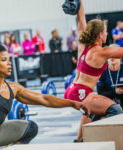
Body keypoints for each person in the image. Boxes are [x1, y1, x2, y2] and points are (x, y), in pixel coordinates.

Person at [0, 1, 90, 150]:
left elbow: (44, 98)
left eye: (9, 59)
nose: (9, 63)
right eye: (4, 60)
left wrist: (72, 103)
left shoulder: (13, 89)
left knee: (30, 128)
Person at [64, 0, 123, 142]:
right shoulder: (102, 52)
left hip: (72, 90)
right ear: (99, 35)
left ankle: (80, 141)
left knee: (91, 111)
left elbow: (81, 20)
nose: (107, 33)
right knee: (115, 110)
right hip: (81, 93)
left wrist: (79, 3)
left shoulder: (83, 45)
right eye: (105, 31)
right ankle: (103, 142)